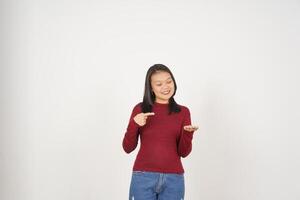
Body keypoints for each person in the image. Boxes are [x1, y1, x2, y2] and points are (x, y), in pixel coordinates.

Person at [122, 64, 199, 200]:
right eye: (159, 84)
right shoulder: (140, 109)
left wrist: (188, 134)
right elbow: (127, 148)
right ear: (151, 88)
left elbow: (184, 153)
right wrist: (134, 124)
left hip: (173, 180)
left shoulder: (183, 112)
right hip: (143, 177)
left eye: (169, 81)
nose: (166, 87)